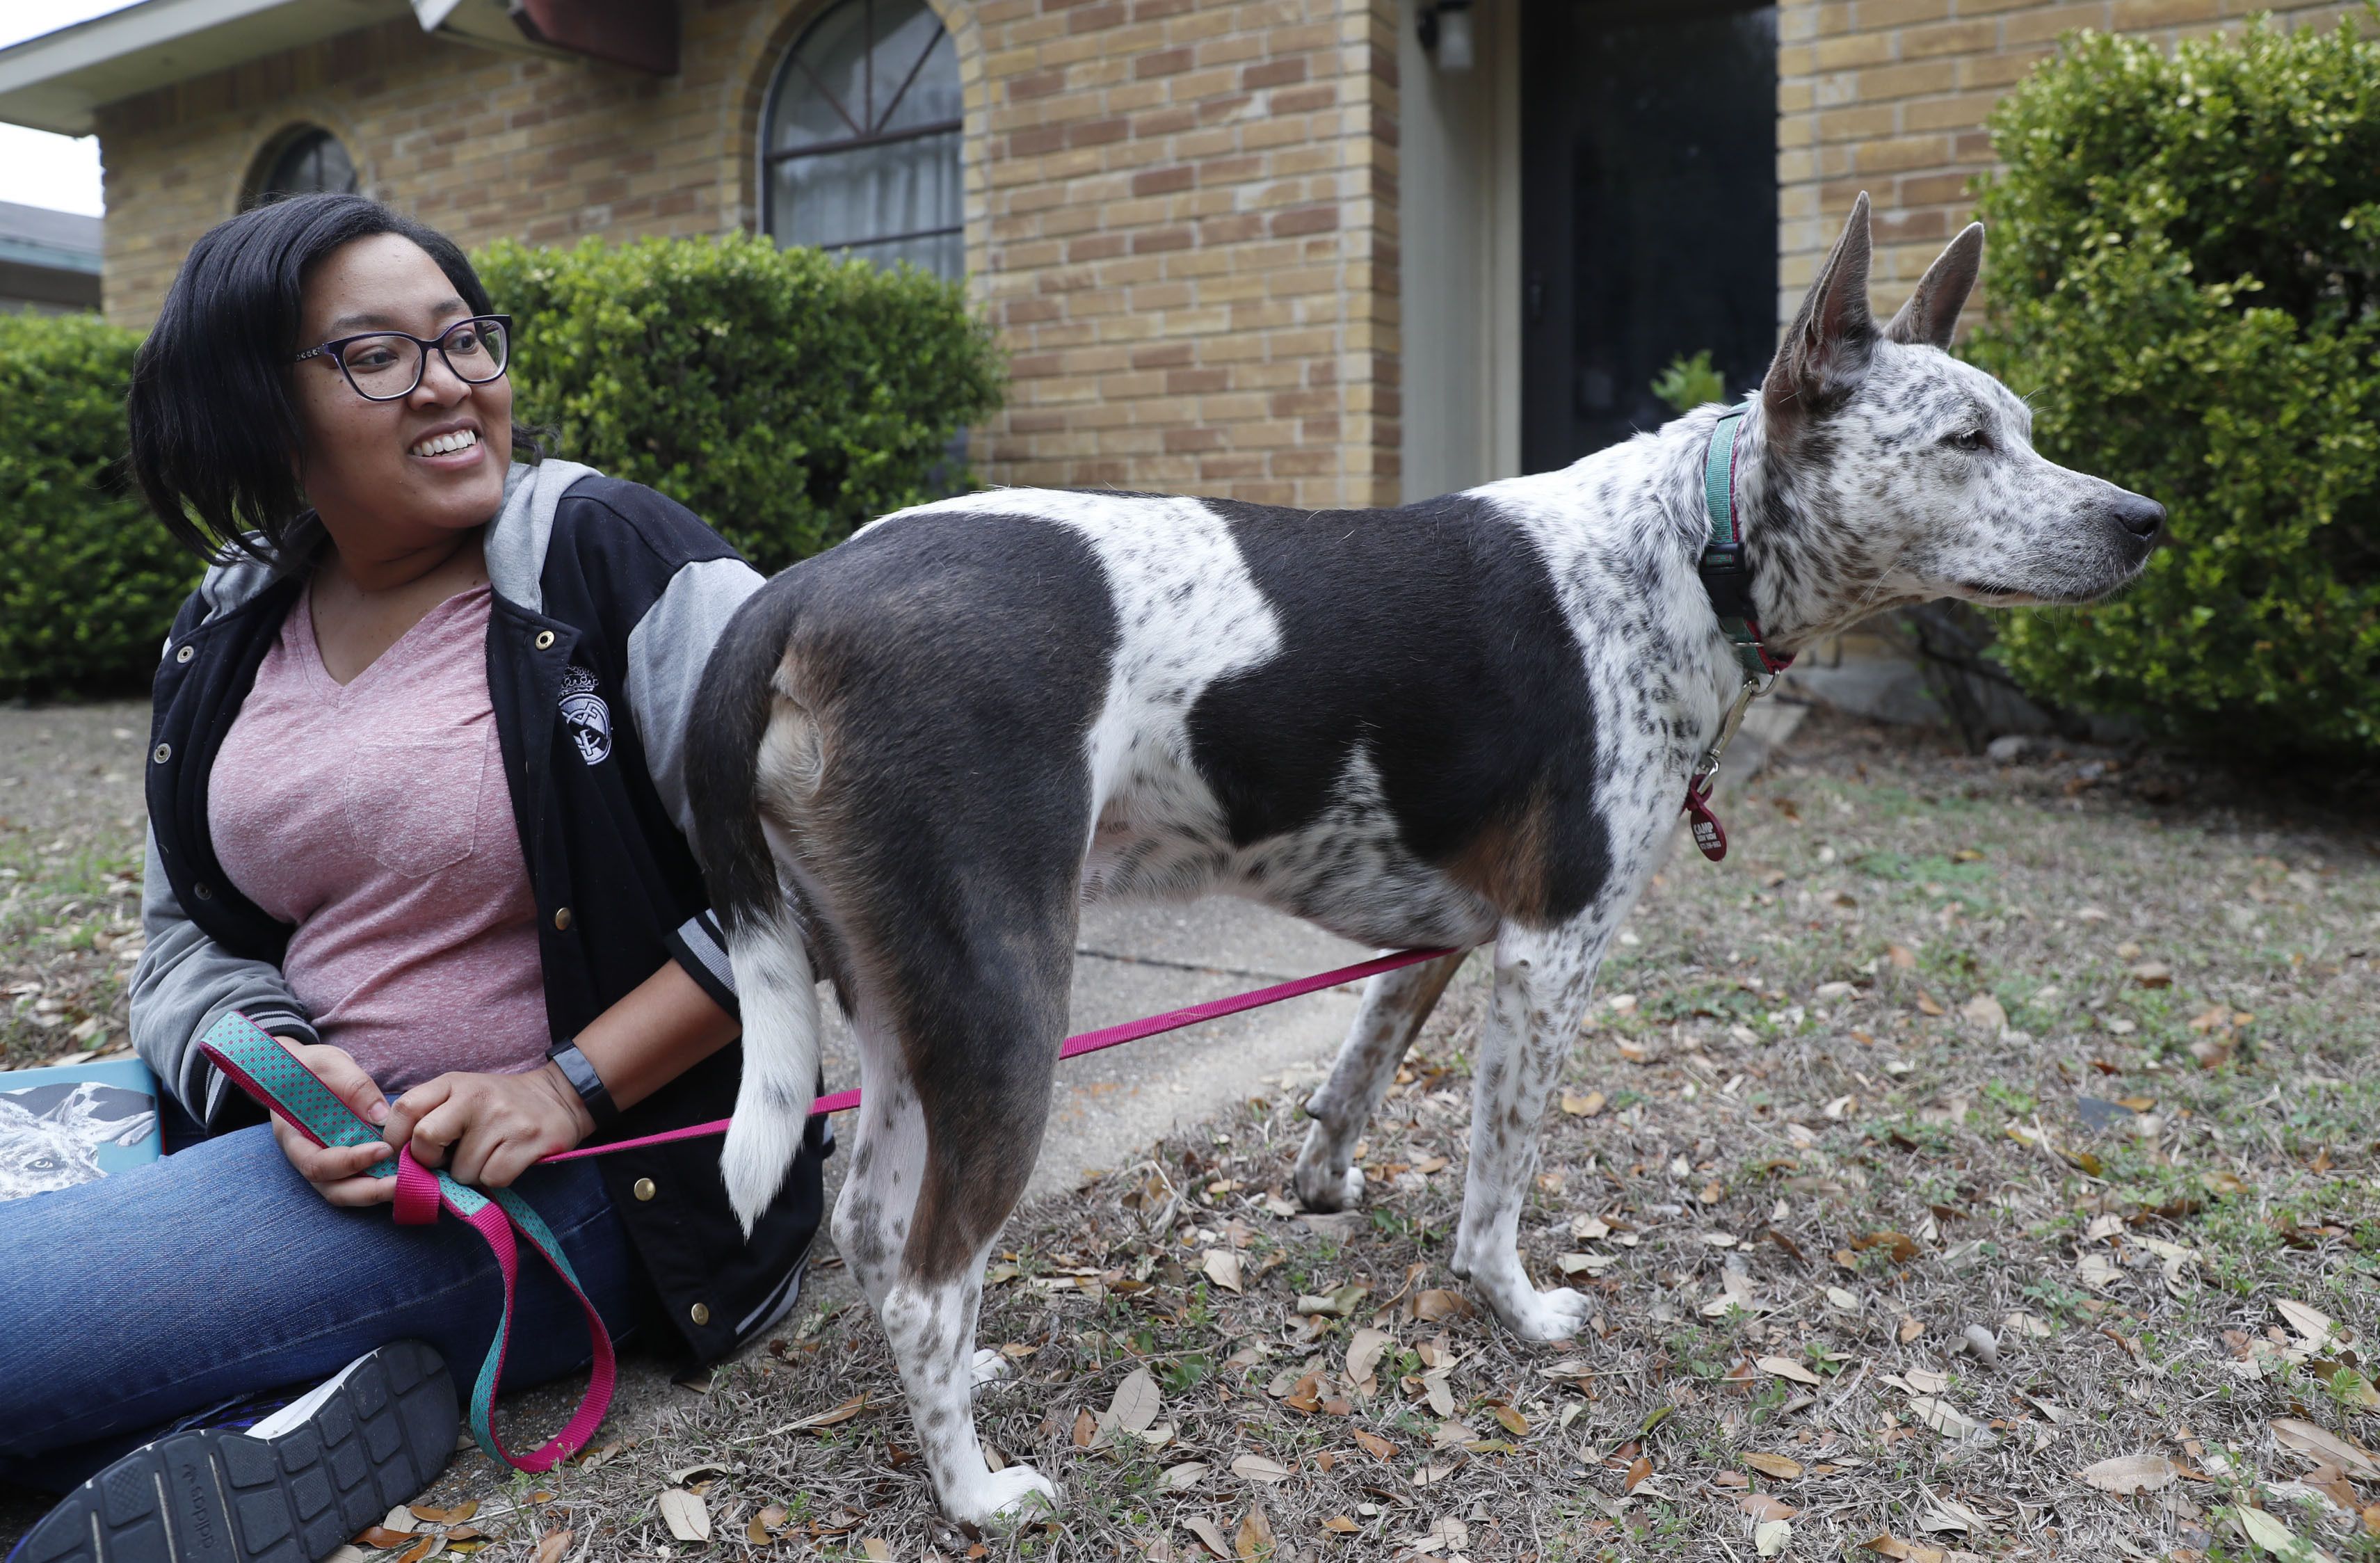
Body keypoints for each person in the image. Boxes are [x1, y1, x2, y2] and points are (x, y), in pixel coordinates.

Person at [0, 194, 830, 1563]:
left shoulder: (612, 552)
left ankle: (268, 1396)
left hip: (599, 1176)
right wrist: (273, 1063)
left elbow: (821, 862)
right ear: (262, 410)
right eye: (376, 355)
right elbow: (187, 946)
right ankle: (292, 1413)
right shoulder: (227, 613)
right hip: (310, 1159)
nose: (449, 383)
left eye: (465, 340)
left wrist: (564, 1084)